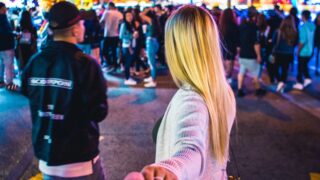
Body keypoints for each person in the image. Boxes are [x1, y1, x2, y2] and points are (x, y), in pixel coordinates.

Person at [126, 5, 236, 180]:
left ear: (177, 48)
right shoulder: (223, 90)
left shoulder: (191, 97)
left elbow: (191, 148)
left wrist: (169, 169)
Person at [21, 2, 108, 179]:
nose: (83, 27)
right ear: (75, 30)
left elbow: (26, 91)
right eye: (81, 24)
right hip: (80, 162)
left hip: (47, 158)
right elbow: (99, 112)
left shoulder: (35, 62)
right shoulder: (86, 65)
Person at [237, 7, 266, 97]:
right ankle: (258, 89)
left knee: (241, 72)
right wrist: (258, 55)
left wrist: (239, 53)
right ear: (254, 16)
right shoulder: (254, 28)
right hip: (251, 55)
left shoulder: (241, 26)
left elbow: (238, 43)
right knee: (255, 74)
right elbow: (256, 43)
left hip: (242, 54)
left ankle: (240, 90)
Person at [272, 17, 298, 92]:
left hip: (279, 52)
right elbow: (295, 43)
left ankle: (280, 82)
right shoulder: (295, 32)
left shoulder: (278, 31)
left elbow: (274, 42)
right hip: (289, 53)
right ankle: (282, 82)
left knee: (275, 68)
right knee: (285, 69)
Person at [293, 10, 316, 90]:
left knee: (300, 66)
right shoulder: (313, 26)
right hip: (310, 50)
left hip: (303, 51)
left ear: (303, 16)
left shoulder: (303, 27)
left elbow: (302, 41)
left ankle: (300, 82)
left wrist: (298, 50)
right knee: (304, 65)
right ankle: (307, 78)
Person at [140, 8, 161, 88]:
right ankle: (152, 77)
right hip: (153, 42)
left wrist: (148, 8)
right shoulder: (154, 20)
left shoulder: (151, 20)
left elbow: (141, 15)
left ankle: (153, 81)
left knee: (152, 64)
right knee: (150, 62)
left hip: (151, 43)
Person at [100, 2, 123, 72]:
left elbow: (101, 22)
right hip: (116, 34)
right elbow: (121, 22)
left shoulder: (106, 12)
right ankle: (115, 64)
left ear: (109, 6)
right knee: (114, 50)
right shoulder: (119, 13)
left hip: (107, 34)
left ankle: (109, 63)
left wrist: (104, 26)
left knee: (104, 51)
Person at [219, 8, 239, 84]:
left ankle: (224, 82)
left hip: (221, 49)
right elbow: (236, 40)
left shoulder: (220, 25)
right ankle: (227, 83)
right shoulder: (233, 26)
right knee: (229, 69)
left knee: (223, 68)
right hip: (230, 50)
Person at [0, 2, 16, 90]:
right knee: (8, 65)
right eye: (4, 8)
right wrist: (14, 34)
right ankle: (9, 83)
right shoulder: (2, 18)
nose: (6, 9)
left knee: (2, 64)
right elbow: (5, 32)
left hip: (2, 45)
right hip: (6, 45)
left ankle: (1, 81)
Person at [119, 10, 138, 85]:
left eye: (130, 15)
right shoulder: (124, 25)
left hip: (132, 45)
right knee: (127, 63)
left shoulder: (131, 24)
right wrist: (131, 36)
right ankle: (127, 78)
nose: (129, 17)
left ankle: (128, 77)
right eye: (127, 16)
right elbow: (121, 36)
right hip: (127, 46)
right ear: (125, 17)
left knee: (129, 62)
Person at [257, 13, 276, 84]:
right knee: (270, 64)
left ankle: (258, 78)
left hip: (261, 48)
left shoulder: (258, 27)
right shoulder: (268, 27)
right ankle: (272, 78)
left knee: (261, 64)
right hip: (268, 48)